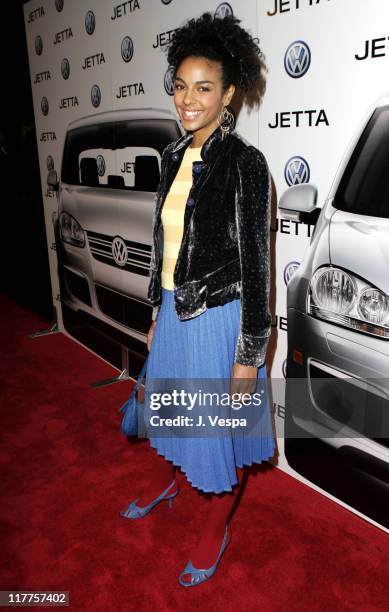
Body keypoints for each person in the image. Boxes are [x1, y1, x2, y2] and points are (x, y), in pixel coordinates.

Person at [120, 11, 275, 587]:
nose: (188, 99)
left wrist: (248, 355)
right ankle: (178, 480)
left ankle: (216, 525)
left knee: (215, 435)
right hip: (176, 316)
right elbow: (166, 247)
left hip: (218, 323)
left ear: (228, 94)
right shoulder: (172, 156)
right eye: (180, 85)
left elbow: (257, 268)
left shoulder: (246, 165)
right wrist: (157, 315)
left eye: (203, 88)